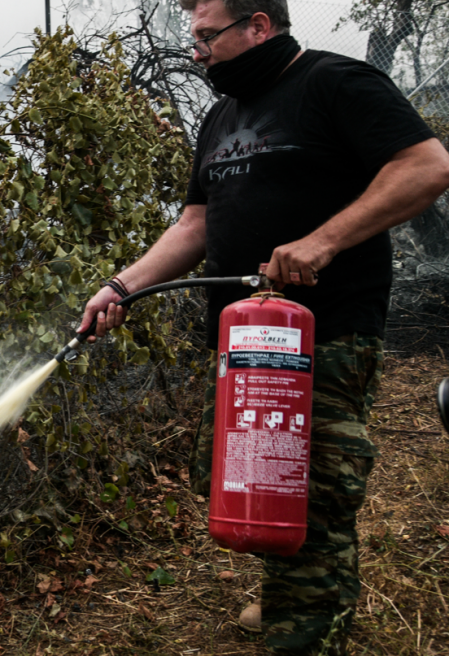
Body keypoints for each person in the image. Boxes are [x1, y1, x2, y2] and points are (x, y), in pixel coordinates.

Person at [77, 0, 449, 653]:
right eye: (193, 38)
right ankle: (291, 584)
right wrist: (122, 286)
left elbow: (426, 166)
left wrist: (322, 242)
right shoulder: (222, 117)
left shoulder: (336, 82)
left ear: (257, 25)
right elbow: (195, 224)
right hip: (242, 344)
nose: (195, 52)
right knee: (239, 476)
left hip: (326, 334)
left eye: (206, 36)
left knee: (311, 489)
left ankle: (305, 621)